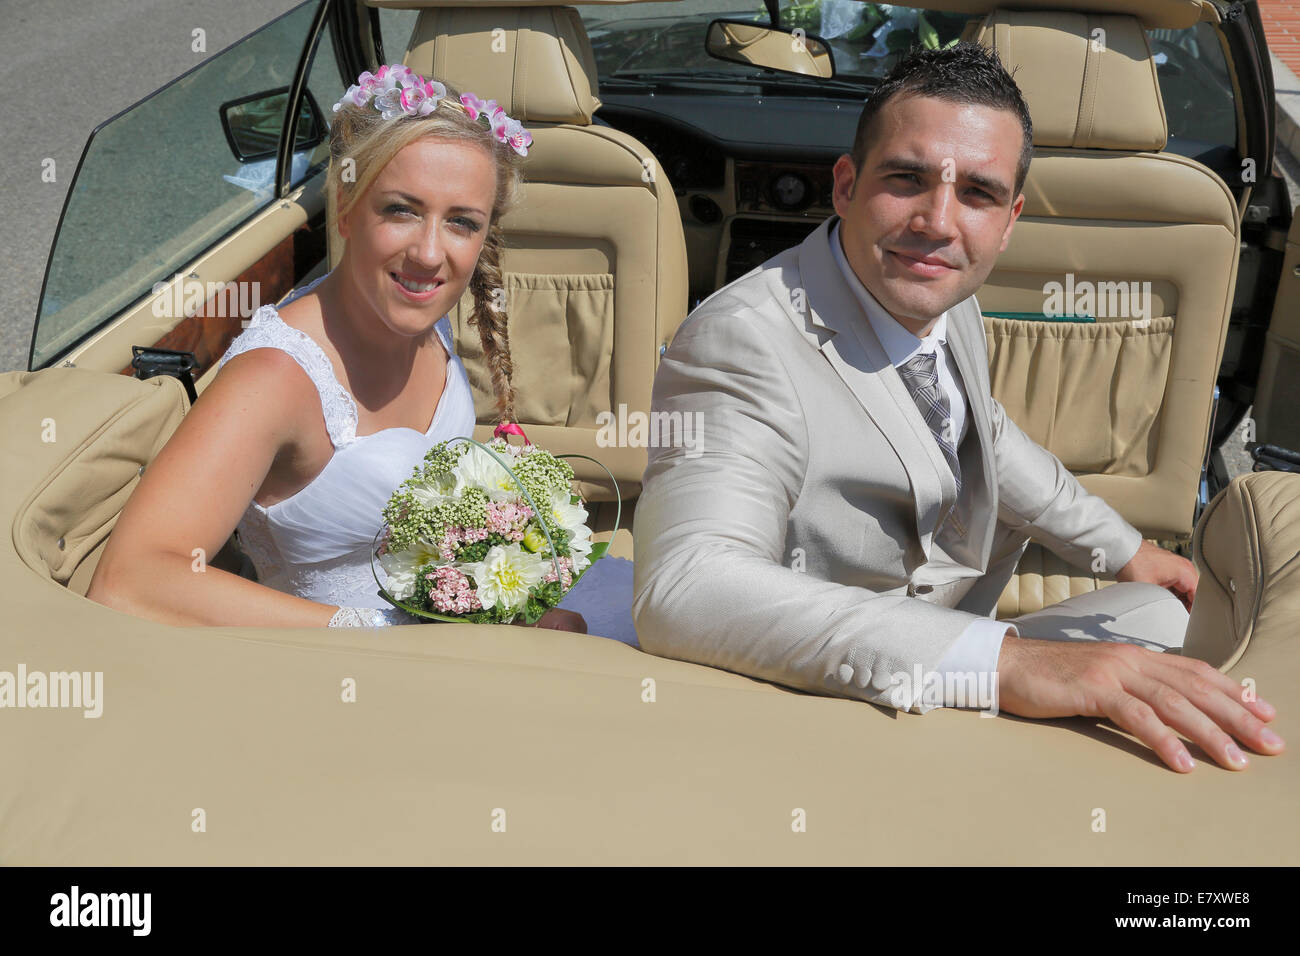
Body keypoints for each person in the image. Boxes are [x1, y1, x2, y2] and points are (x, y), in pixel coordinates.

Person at [632, 43, 1285, 773]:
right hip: (815, 711)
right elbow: (687, 587)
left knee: (1185, 642)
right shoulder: (740, 342)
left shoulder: (942, 294)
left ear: (1010, 220)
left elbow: (987, 434)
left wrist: (1124, 550)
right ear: (845, 185)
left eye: (977, 193)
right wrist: (1002, 663)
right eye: (906, 179)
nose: (938, 223)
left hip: (945, 657)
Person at [87, 65, 583, 632]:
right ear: (345, 206)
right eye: (402, 210)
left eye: (461, 223)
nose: (428, 253)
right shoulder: (275, 376)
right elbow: (131, 580)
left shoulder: (426, 318)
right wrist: (375, 636)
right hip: (328, 677)